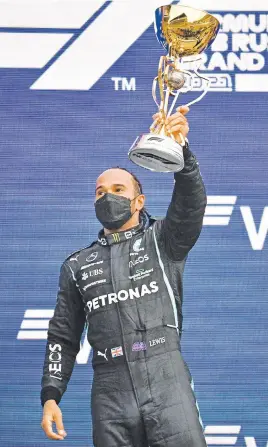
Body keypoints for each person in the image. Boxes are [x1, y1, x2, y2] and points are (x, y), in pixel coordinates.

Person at [40, 106, 208, 446]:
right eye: (100, 192)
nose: (108, 196)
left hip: (165, 377)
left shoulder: (163, 241)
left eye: (118, 189)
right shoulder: (76, 265)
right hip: (109, 388)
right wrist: (50, 395)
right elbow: (63, 334)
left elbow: (190, 205)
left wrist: (182, 153)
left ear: (138, 201)